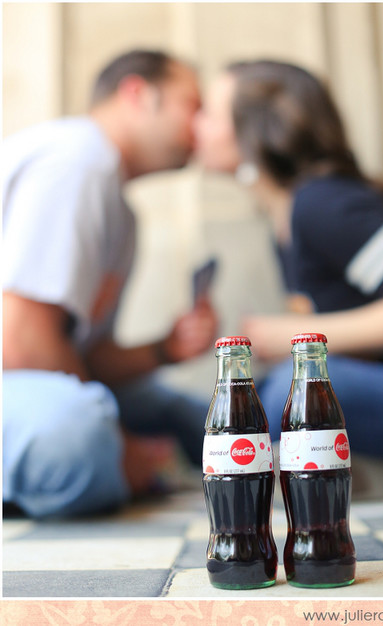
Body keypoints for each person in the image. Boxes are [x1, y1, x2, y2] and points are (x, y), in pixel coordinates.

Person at [2, 50, 218, 519]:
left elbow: (78, 357)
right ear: (139, 94)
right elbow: (21, 343)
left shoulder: (118, 205)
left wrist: (163, 350)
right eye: (192, 105)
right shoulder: (79, 161)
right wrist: (123, 448)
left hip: (26, 377)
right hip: (14, 376)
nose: (201, 128)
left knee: (176, 409)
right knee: (78, 433)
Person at [194, 60, 383, 461]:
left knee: (278, 394)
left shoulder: (324, 204)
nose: (196, 124)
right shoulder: (284, 218)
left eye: (211, 115)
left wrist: (293, 334)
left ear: (254, 132)